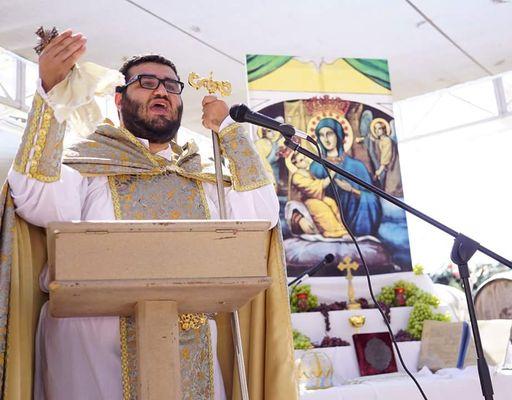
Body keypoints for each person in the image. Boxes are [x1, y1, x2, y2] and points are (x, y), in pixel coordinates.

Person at [0, 29, 296, 400]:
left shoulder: (202, 176)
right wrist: (51, 94)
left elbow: (263, 218)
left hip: (190, 340)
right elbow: (33, 198)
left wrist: (231, 133)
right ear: (119, 99)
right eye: (148, 83)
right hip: (93, 348)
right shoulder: (88, 165)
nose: (162, 92)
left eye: (172, 86)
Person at [309, 118, 381, 237]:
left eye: (330, 134)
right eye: (321, 135)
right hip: (327, 226)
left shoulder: (357, 166)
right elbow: (305, 195)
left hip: (355, 225)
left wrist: (352, 190)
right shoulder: (315, 167)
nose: (326, 139)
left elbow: (373, 200)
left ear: (338, 134)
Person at [288, 152, 347, 238]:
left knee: (331, 202)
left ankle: (341, 228)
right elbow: (316, 187)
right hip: (306, 201)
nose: (305, 161)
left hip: (314, 197)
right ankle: (332, 232)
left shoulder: (307, 173)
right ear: (295, 164)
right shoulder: (297, 177)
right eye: (301, 160)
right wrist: (332, 174)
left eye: (304, 157)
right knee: (321, 207)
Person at [368, 118, 403, 197]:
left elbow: (386, 157)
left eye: (379, 128)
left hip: (393, 168)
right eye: (375, 129)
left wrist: (379, 171)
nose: (377, 131)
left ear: (384, 129)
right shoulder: (380, 140)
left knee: (392, 190)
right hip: (389, 168)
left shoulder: (387, 140)